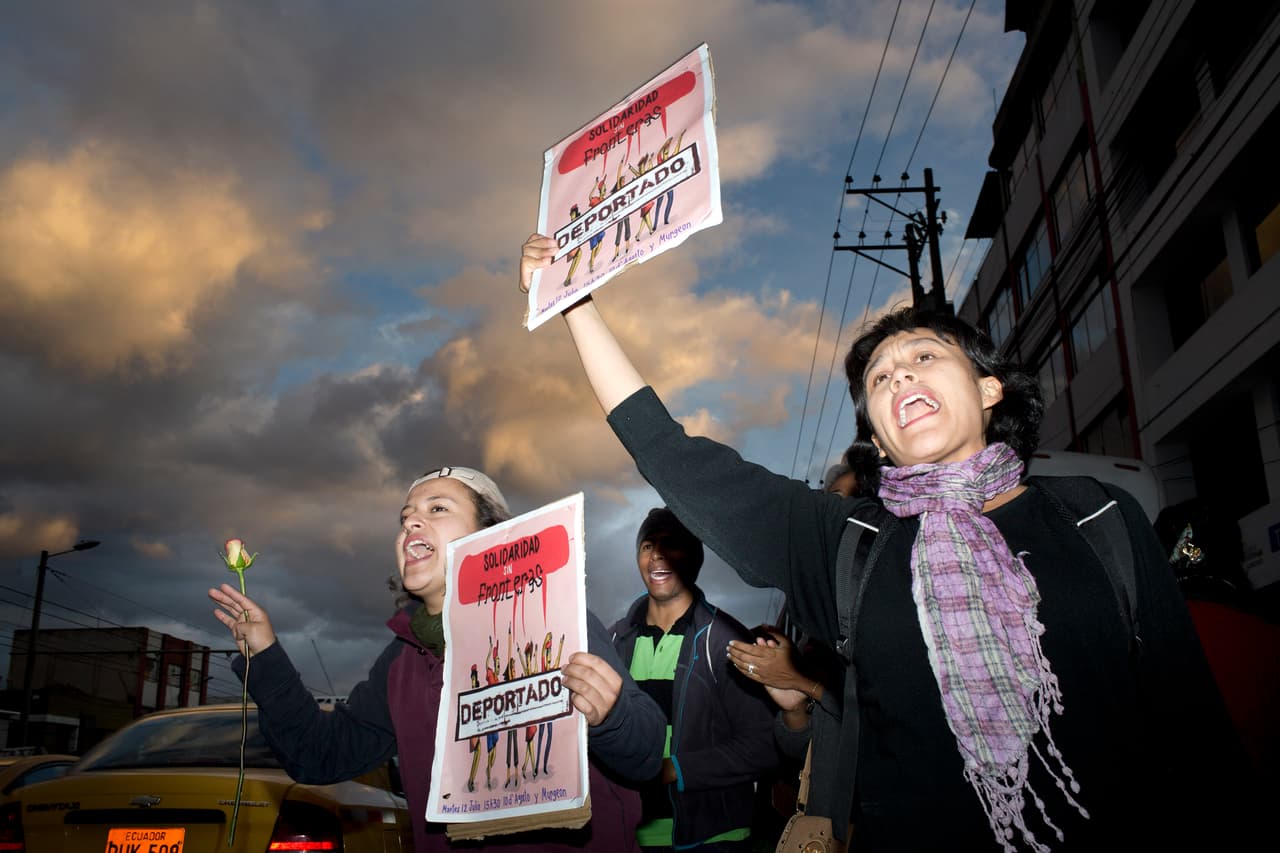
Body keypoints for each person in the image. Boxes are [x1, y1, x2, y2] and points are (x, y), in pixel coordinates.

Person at [518, 233, 1252, 852]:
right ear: (875, 433)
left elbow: (1197, 737)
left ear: (990, 388)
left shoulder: (1100, 519)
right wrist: (577, 306)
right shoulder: (849, 545)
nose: (899, 373)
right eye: (879, 377)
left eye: (926, 358)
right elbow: (673, 454)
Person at [209, 466, 666, 852]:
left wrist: (612, 716)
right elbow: (319, 757)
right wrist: (265, 656)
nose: (410, 523)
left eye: (437, 510)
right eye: (405, 517)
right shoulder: (400, 662)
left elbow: (646, 754)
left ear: (489, 536)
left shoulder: (555, 620)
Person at [610, 506, 778, 852]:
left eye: (670, 543)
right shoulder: (612, 641)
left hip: (714, 839)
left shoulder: (727, 639)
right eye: (647, 546)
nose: (656, 554)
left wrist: (674, 769)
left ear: (693, 556)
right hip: (633, 836)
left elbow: (763, 745)